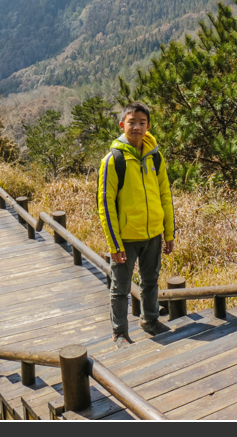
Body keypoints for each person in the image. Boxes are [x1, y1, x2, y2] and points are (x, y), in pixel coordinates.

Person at [97, 101, 176, 347]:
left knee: (151, 280)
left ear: (148, 126)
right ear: (122, 125)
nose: (137, 127)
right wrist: (114, 243)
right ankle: (119, 332)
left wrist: (169, 233)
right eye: (132, 122)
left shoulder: (155, 157)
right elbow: (105, 205)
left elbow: (165, 194)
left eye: (142, 123)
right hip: (126, 238)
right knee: (120, 287)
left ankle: (150, 320)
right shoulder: (113, 160)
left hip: (153, 233)